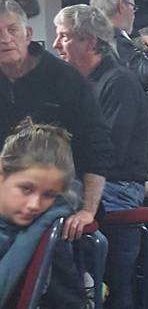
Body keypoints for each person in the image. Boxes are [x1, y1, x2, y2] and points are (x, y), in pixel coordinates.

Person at [52, 4, 148, 309]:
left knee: (50, 214)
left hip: (118, 185)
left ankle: (83, 289)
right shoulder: (77, 85)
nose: (55, 44)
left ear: (90, 42)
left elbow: (107, 153)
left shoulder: (119, 81)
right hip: (91, 181)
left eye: (64, 36)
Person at [0, 0, 113, 243]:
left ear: (28, 35)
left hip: (60, 185)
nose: (5, 39)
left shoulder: (64, 78)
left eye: (12, 30)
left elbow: (96, 146)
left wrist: (88, 211)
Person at [0, 118, 78, 307]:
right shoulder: (49, 217)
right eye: (26, 189)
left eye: (49, 195)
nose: (35, 205)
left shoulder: (53, 229)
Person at [89, 0, 148, 91]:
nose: (134, 14)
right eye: (133, 7)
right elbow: (147, 78)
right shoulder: (114, 38)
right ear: (121, 6)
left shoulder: (92, 37)